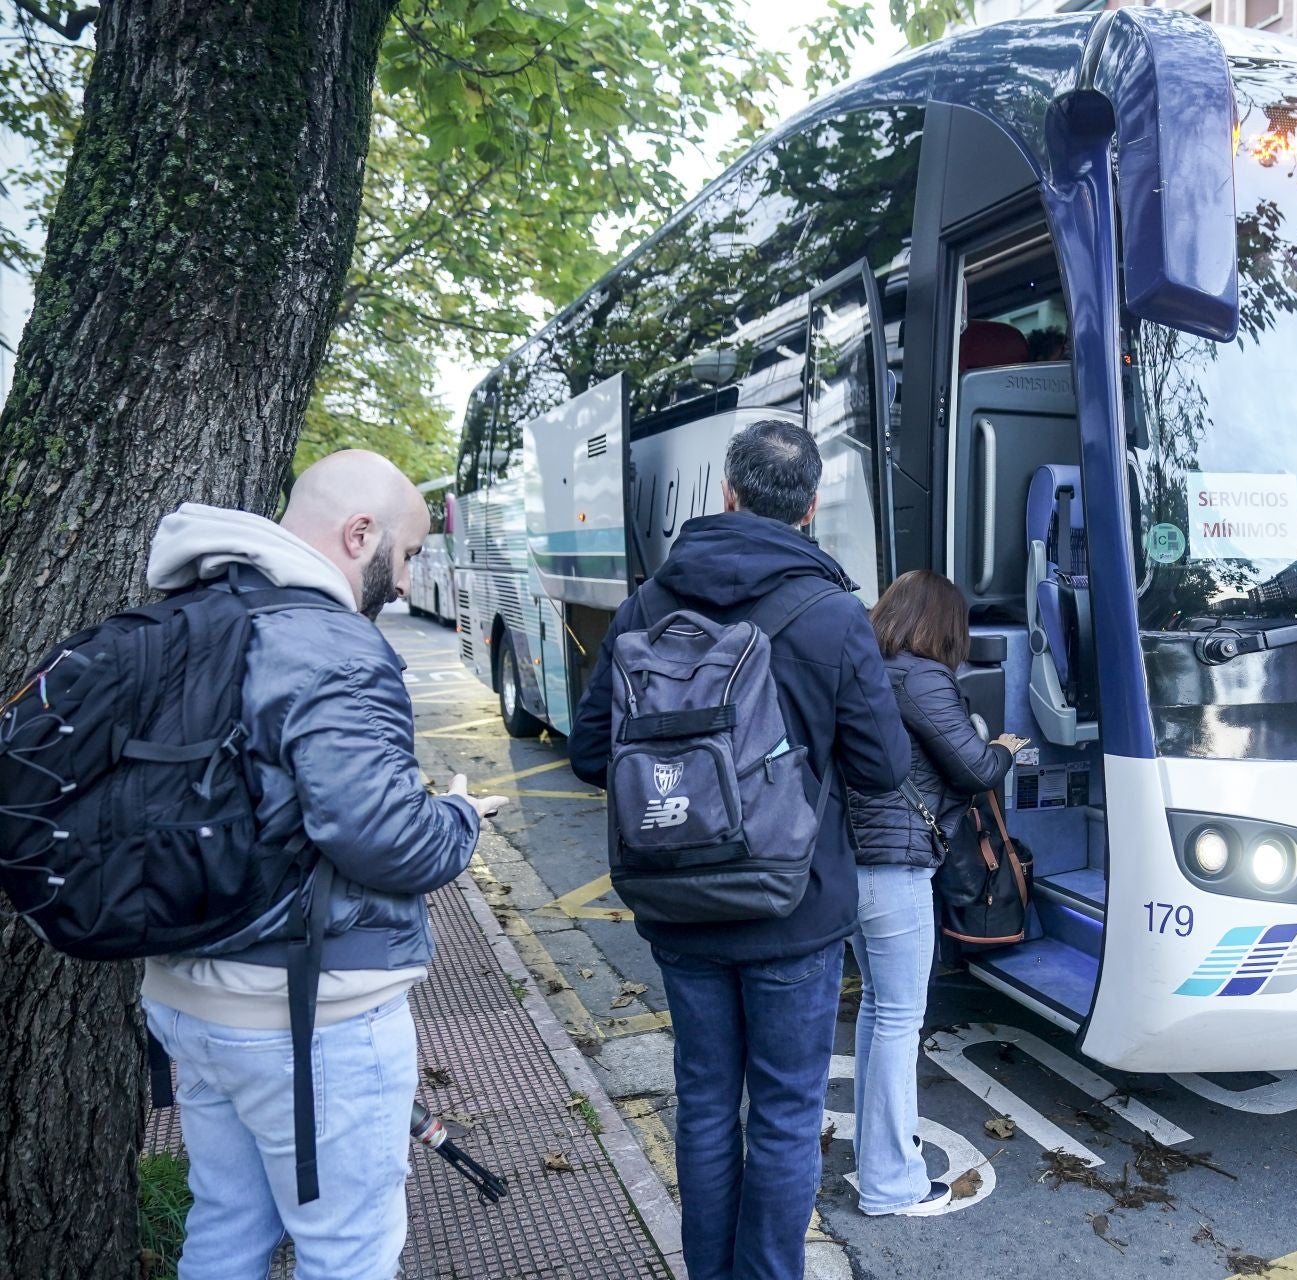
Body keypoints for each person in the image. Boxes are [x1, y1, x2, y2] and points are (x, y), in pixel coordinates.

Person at [140, 449, 509, 1280]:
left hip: (185, 995)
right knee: (346, 1252)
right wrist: (455, 817)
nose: (409, 582)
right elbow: (382, 836)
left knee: (227, 1228)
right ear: (360, 532)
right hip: (308, 1019)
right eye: (409, 554)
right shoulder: (331, 643)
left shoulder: (192, 615)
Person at [571, 418, 910, 1280]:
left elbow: (587, 752)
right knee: (788, 1116)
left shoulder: (648, 603)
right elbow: (881, 772)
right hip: (794, 909)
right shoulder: (833, 613)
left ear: (726, 492)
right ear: (811, 506)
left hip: (679, 906)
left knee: (707, 1105)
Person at [847, 571, 1027, 1216]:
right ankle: (890, 1184)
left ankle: (877, 1156)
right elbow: (973, 769)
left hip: (851, 860)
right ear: (943, 626)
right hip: (894, 865)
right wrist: (1003, 748)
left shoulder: (863, 664)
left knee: (878, 1011)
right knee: (898, 1019)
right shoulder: (920, 677)